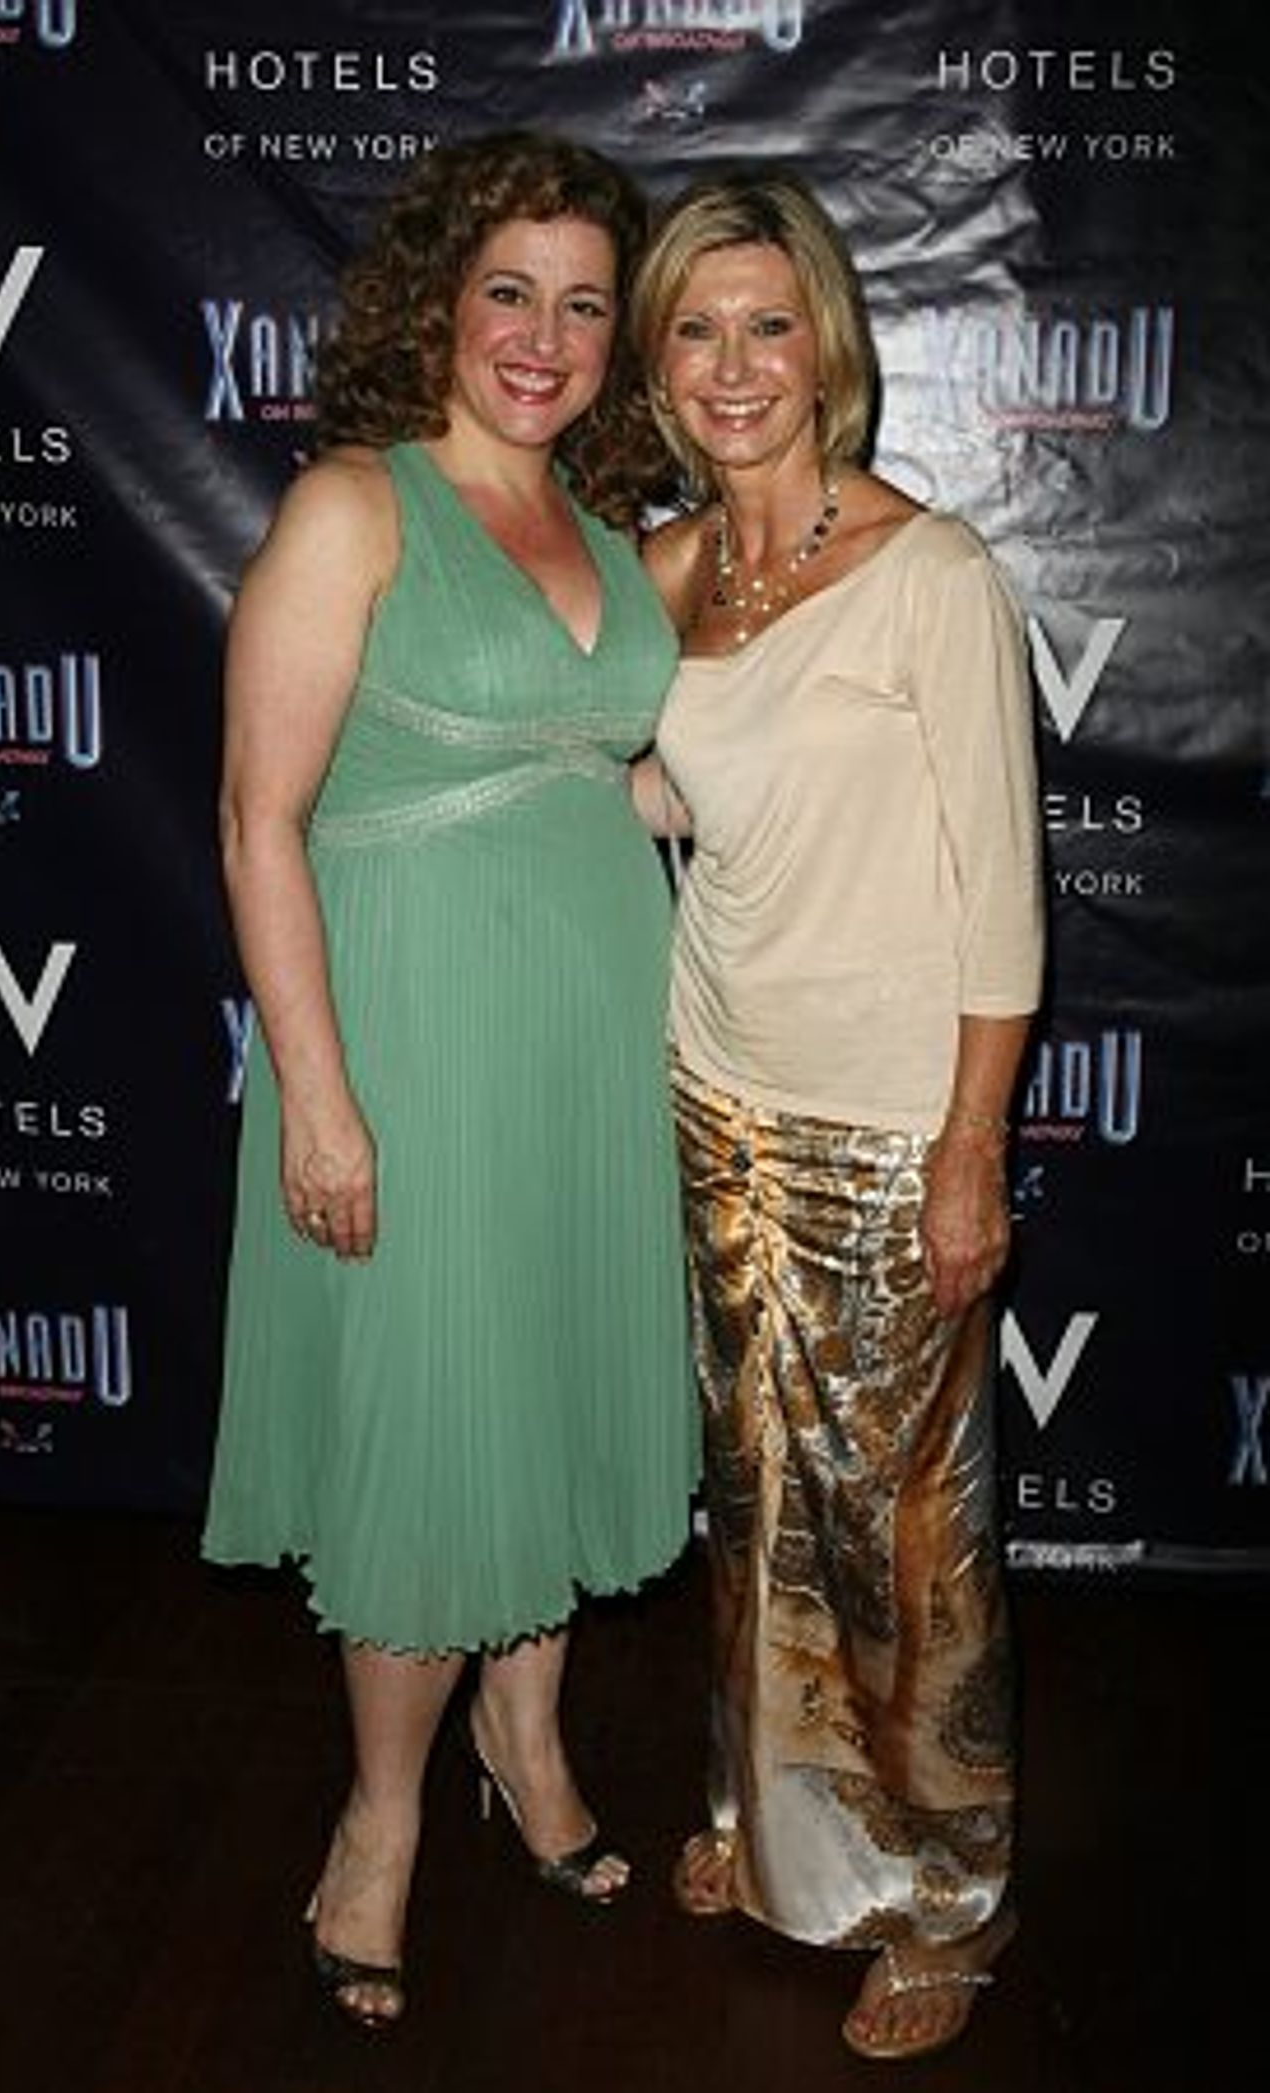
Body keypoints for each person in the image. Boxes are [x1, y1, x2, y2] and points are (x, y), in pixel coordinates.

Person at [200, 131, 699, 2031]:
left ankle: (529, 1739)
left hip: (590, 1045)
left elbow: (616, 781)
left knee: (548, 1391)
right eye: (510, 291)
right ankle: (384, 1817)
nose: (543, 336)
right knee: (433, 1427)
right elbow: (259, 819)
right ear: (439, 300)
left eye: (584, 305)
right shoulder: (357, 507)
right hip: (413, 1042)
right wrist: (320, 1099)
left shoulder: (606, 530)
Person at [627, 170, 1045, 2062]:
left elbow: (1003, 894)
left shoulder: (930, 572)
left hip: (885, 1124)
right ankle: (771, 1816)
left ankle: (949, 1890)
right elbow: (658, 797)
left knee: (903, 1538)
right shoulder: (668, 573)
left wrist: (970, 1146)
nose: (735, 367)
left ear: (828, 349)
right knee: (755, 1500)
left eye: (767, 326)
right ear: (658, 367)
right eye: (696, 332)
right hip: (715, 1093)